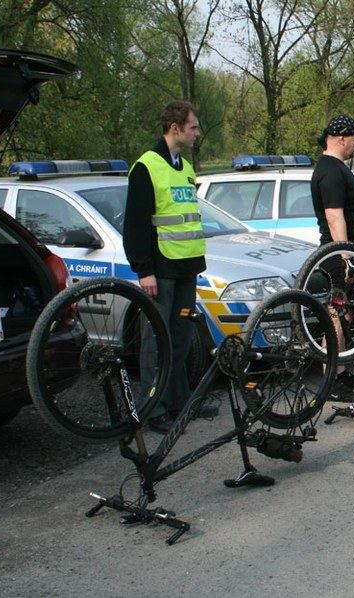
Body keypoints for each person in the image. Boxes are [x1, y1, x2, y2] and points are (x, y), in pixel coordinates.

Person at [123, 100, 217, 433]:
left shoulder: (185, 168)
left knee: (180, 338)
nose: (197, 133)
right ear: (174, 127)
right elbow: (135, 225)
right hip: (159, 270)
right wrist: (143, 269)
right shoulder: (146, 167)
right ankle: (154, 408)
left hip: (186, 267)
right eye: (193, 127)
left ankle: (180, 402)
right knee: (155, 342)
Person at [310, 114, 354, 401]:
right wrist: (345, 253)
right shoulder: (331, 171)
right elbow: (335, 216)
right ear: (342, 138)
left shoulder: (334, 167)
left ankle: (342, 370)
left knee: (345, 311)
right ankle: (330, 379)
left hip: (348, 254)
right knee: (335, 313)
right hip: (339, 255)